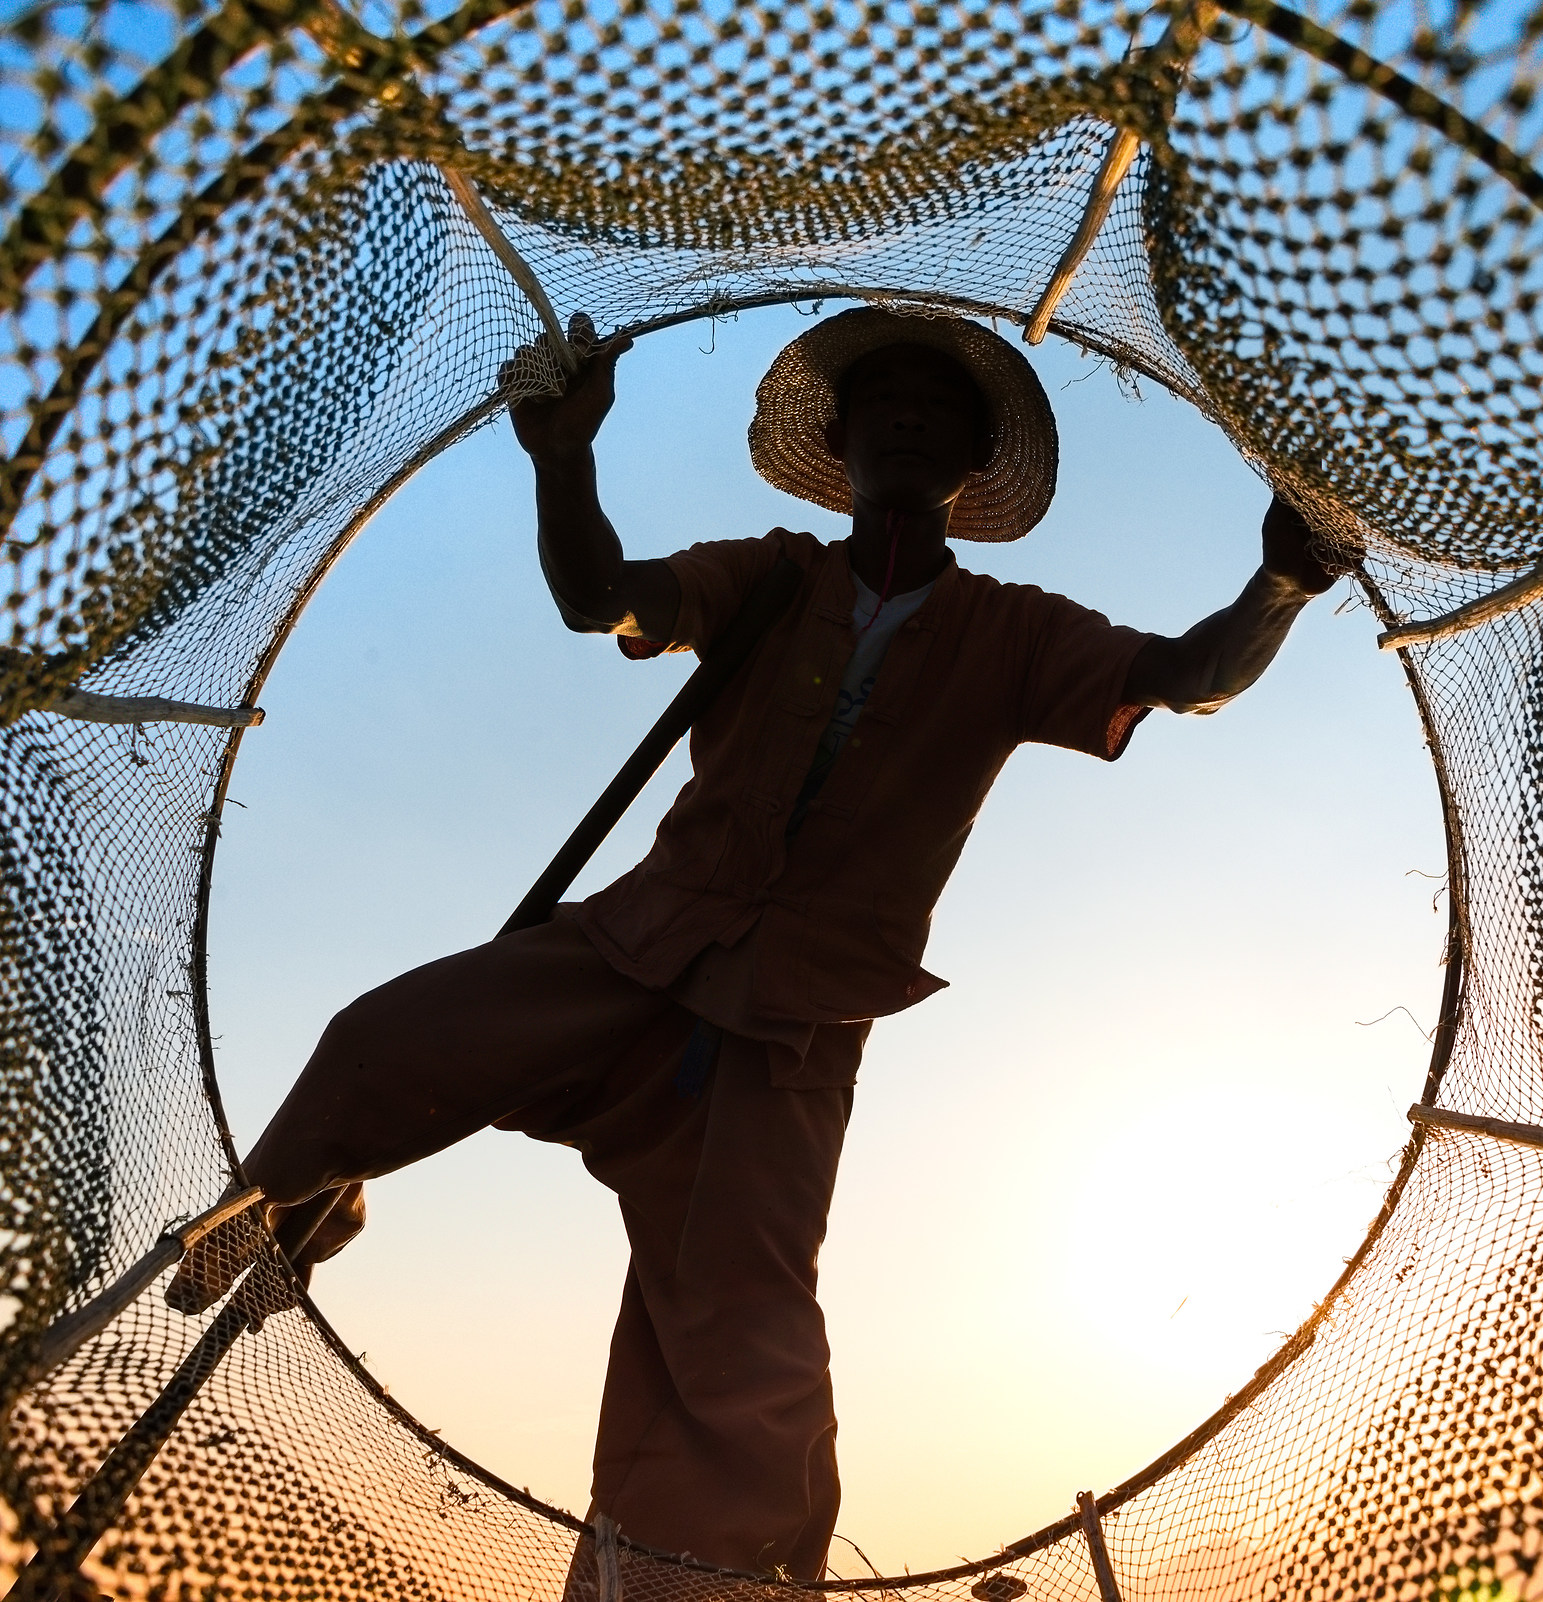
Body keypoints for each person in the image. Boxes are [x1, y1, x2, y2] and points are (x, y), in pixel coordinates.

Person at [170, 306, 1349, 1583]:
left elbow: (1186, 675)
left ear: (970, 462)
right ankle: (287, 1210)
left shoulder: (1016, 632)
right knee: (383, 1045)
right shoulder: (772, 573)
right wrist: (562, 461)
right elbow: (600, 599)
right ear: (839, 443)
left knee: (735, 1348)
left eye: (936, 407)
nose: (905, 415)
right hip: (635, 943)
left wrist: (1279, 581)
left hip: (790, 1025)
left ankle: (700, 1584)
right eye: (881, 400)